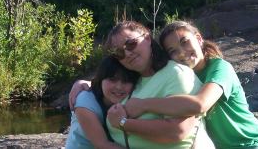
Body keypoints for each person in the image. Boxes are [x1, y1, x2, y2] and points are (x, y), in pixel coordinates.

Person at [124, 21, 258, 149]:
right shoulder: (179, 77)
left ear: (199, 39)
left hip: (250, 144)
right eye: (173, 51)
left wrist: (143, 105)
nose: (182, 53)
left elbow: (201, 104)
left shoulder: (220, 68)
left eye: (184, 42)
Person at [69, 21, 214, 149]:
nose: (127, 53)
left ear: (147, 38)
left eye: (131, 44)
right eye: (119, 52)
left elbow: (177, 131)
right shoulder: (133, 80)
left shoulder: (176, 74)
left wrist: (123, 123)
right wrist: (83, 82)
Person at [65, 56, 138, 149]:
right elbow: (102, 144)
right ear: (101, 79)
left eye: (126, 81)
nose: (119, 87)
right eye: (112, 79)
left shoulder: (132, 98)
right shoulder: (85, 102)